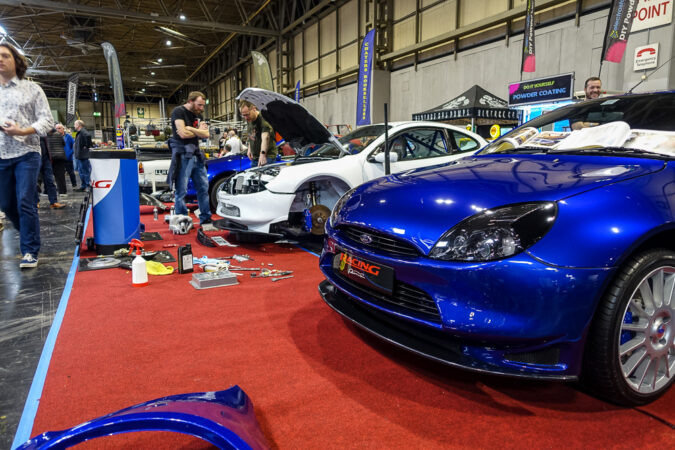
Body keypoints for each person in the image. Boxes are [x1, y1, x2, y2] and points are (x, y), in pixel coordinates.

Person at [0, 42, 54, 268]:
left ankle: (30, 250)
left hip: (27, 153)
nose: (0, 59)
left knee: (25, 200)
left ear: (16, 61)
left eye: (4, 55)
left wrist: (22, 130)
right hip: (1, 155)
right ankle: (28, 231)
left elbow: (47, 121)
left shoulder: (32, 89)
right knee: (5, 203)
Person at [170, 91, 212, 225]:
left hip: (196, 155)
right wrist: (198, 131)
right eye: (199, 105)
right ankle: (182, 220)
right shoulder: (178, 111)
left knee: (203, 188)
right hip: (183, 155)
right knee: (181, 190)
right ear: (190, 101)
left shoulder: (198, 115)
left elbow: (206, 134)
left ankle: (205, 218)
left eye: (202, 105)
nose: (201, 108)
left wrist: (192, 129)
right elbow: (182, 134)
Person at [239, 100, 277, 167]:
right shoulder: (249, 119)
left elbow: (266, 137)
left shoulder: (263, 119)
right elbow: (252, 134)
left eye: (247, 114)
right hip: (255, 158)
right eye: (243, 115)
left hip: (267, 157)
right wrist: (249, 148)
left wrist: (263, 154)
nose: (246, 118)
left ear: (254, 108)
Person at [37, 136, 66, 209]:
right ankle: (35, 201)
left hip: (46, 156)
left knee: (50, 180)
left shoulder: (47, 132)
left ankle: (53, 202)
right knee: (36, 181)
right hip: (36, 155)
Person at [55, 123, 77, 188]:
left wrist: (70, 153)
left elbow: (73, 146)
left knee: (71, 172)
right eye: (56, 128)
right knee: (59, 173)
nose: (57, 130)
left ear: (63, 129)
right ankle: (59, 186)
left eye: (59, 128)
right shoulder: (55, 137)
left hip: (67, 158)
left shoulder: (68, 136)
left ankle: (74, 185)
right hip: (58, 158)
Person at [73, 119, 92, 191]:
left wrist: (86, 146)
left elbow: (88, 135)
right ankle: (83, 186)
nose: (74, 126)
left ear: (79, 125)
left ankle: (87, 186)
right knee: (81, 171)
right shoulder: (79, 132)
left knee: (85, 171)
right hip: (80, 155)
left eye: (75, 124)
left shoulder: (83, 131)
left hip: (83, 155)